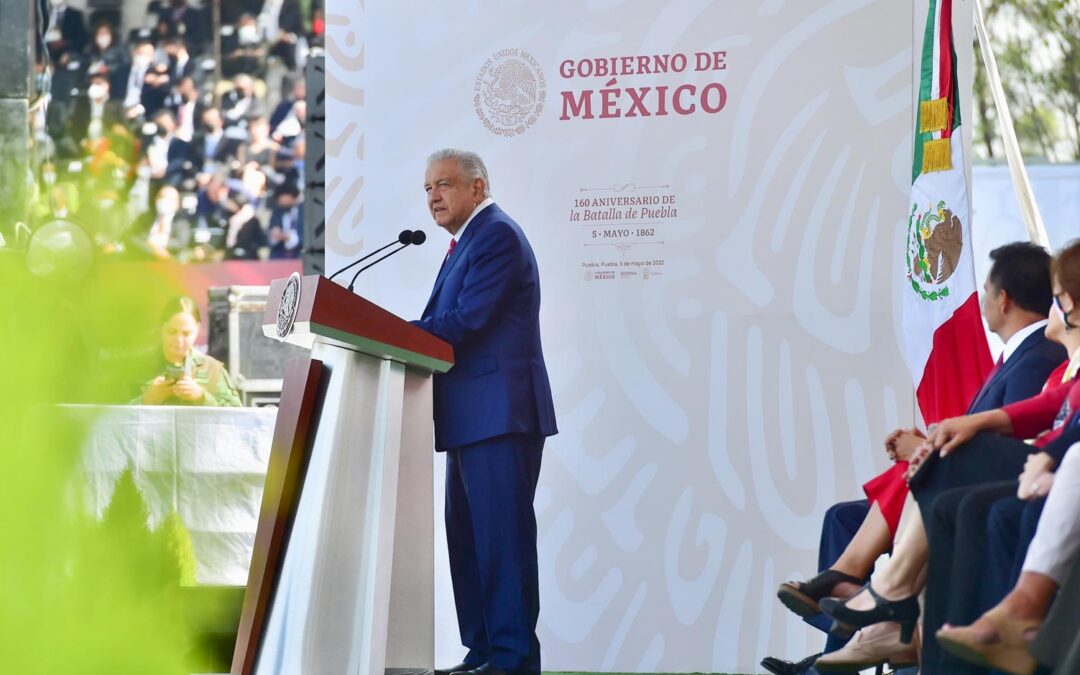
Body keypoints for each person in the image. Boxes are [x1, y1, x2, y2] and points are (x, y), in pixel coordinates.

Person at [770, 242, 1065, 673]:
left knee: (934, 467)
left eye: (984, 290)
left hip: (998, 483)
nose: (980, 300)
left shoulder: (1038, 356)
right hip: (971, 477)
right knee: (843, 516)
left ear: (1003, 298)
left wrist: (932, 447)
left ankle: (856, 611)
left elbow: (1024, 436)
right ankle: (842, 644)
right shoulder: (1019, 356)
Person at [413, 149, 557, 675]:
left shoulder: (495, 234)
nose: (433, 197)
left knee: (502, 542)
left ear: (477, 186)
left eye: (444, 185)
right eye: (428, 188)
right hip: (472, 419)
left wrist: (399, 331)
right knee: (470, 541)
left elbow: (467, 320)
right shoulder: (465, 242)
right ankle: (483, 653)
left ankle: (514, 660)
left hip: (500, 416)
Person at [140, 296, 241, 407]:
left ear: (197, 329)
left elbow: (236, 414)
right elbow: (118, 411)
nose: (178, 340)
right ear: (162, 328)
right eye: (172, 332)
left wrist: (201, 397)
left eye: (186, 333)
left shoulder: (212, 369)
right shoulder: (137, 366)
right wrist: (147, 399)